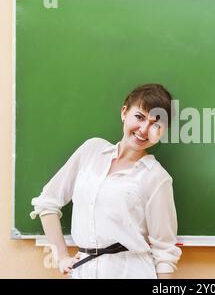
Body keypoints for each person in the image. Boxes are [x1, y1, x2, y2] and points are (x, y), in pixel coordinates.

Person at [30, 83, 181, 279]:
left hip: (130, 272)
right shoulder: (91, 151)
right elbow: (47, 203)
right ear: (124, 113)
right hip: (82, 272)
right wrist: (61, 257)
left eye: (156, 124)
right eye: (140, 117)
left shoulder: (157, 178)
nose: (144, 129)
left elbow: (164, 251)